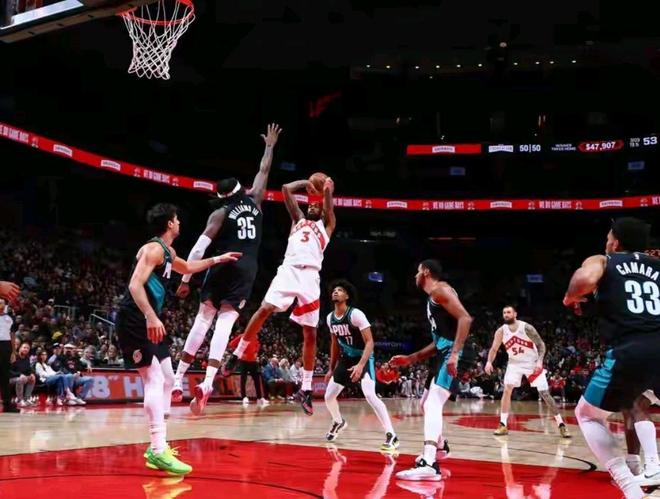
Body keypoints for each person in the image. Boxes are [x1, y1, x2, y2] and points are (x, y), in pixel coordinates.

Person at [116, 203, 241, 476]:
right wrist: (151, 316)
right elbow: (135, 285)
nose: (180, 223)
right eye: (177, 219)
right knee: (154, 379)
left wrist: (217, 259)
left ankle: (157, 446)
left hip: (148, 320)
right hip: (136, 319)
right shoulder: (153, 249)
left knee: (168, 379)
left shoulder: (168, 252)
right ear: (170, 224)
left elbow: (188, 267)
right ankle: (158, 449)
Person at [172, 124, 281, 415]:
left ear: (222, 196)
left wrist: (186, 279)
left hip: (223, 262)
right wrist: (269, 146)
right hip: (247, 268)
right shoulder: (256, 201)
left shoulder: (220, 213)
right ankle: (208, 383)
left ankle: (178, 379)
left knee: (203, 318)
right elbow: (263, 171)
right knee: (225, 324)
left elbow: (198, 250)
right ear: (241, 190)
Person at [221, 175, 336, 416]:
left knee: (310, 333)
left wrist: (327, 191)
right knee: (264, 309)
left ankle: (306, 389)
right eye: (311, 204)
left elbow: (329, 208)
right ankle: (237, 354)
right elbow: (285, 189)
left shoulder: (326, 227)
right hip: (289, 270)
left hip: (310, 277)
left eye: (317, 206)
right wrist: (306, 183)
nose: (312, 206)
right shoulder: (298, 220)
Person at [563, 217, 660, 498]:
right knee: (637, 404)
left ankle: (630, 487)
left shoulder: (604, 260)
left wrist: (570, 298)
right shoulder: (657, 264)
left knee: (587, 415)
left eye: (608, 238)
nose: (606, 243)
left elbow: (584, 280)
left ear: (615, 242)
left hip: (631, 349)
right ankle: (650, 465)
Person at [390, 259, 473, 481]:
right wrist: (411, 358)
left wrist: (454, 354)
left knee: (433, 402)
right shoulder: (433, 298)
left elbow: (465, 318)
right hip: (444, 352)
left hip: (454, 352)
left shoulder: (440, 290)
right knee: (425, 402)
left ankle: (429, 463)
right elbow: (438, 342)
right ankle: (441, 446)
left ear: (426, 272)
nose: (415, 276)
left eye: (417, 271)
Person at [323, 280, 399, 452]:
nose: (335, 292)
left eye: (340, 290)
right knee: (328, 396)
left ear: (347, 296)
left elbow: (370, 342)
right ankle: (338, 421)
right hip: (347, 358)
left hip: (364, 356)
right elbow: (334, 344)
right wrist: (331, 368)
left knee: (370, 395)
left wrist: (360, 365)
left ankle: (392, 435)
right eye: (334, 290)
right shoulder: (330, 318)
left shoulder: (356, 314)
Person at [484, 305, 570, 438]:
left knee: (544, 393)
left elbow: (541, 344)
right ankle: (503, 424)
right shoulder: (501, 331)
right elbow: (494, 349)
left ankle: (561, 424)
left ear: (515, 314)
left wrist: (540, 361)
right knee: (507, 389)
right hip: (514, 363)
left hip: (532, 362)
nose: (506, 314)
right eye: (504, 313)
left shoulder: (526, 328)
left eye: (509, 312)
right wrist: (489, 362)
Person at [227, 332, 267, 405]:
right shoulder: (242, 336)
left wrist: (256, 352)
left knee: (257, 380)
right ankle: (244, 397)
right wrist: (240, 353)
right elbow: (231, 344)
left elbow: (257, 345)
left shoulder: (255, 336)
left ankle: (259, 398)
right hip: (243, 361)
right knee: (243, 379)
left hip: (253, 361)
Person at [0, 298, 19, 412]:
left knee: (5, 376)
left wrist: (13, 352)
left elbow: (12, 335)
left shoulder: (10, 318)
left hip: (6, 346)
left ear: (5, 305)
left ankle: (7, 404)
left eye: (1, 302)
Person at [9, 341, 36, 408]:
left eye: (27, 348)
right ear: (20, 348)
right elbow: (8, 371)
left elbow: (28, 370)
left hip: (22, 378)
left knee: (32, 379)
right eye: (24, 347)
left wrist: (32, 374)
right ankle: (20, 400)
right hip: (10, 378)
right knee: (20, 379)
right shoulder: (14, 357)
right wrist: (19, 374)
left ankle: (26, 399)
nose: (26, 349)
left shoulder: (27, 358)